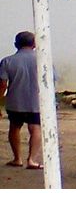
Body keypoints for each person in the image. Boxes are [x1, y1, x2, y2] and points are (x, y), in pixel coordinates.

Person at [1, 31, 43, 170]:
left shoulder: (7, 61)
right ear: (34, 44)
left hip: (15, 101)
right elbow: (50, 80)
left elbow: (2, 84)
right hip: (36, 101)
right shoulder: (43, 59)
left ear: (16, 44)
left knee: (14, 127)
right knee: (35, 128)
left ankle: (17, 158)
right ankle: (32, 159)